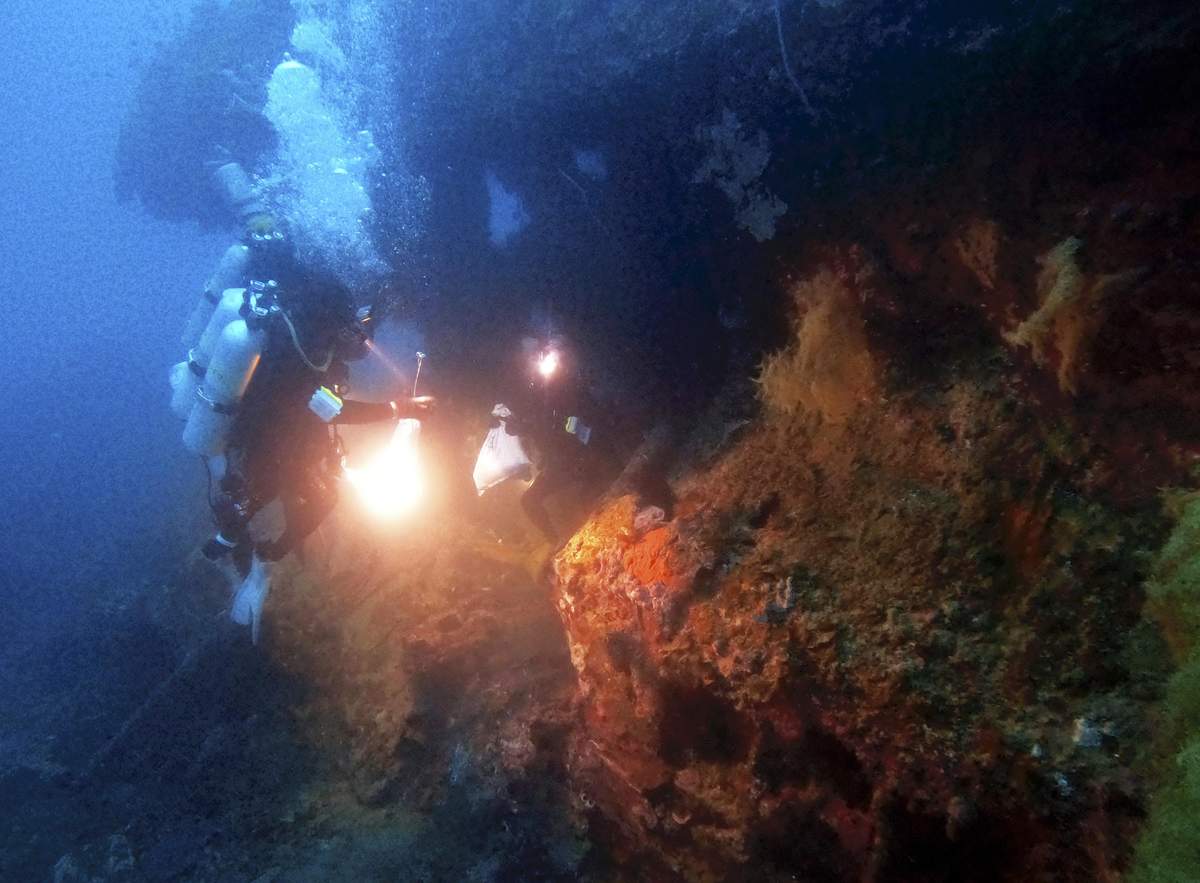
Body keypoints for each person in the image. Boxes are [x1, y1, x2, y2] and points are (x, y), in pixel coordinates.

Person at [494, 335, 618, 546]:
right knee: (529, 501)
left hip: (586, 455)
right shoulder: (537, 394)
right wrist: (522, 427)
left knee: (592, 501)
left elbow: (584, 426)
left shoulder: (570, 386)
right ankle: (556, 543)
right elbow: (542, 428)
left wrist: (535, 426)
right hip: (561, 463)